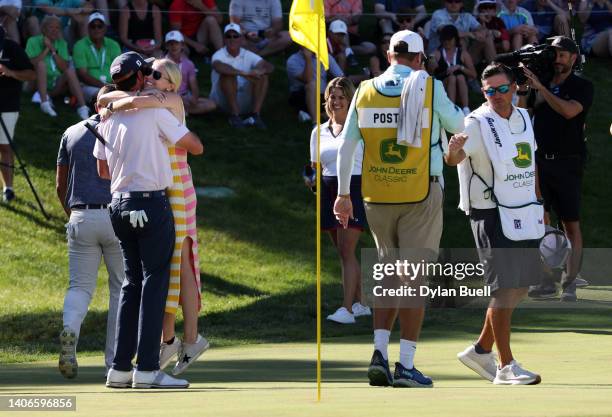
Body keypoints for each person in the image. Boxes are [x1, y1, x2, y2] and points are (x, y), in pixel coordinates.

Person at [334, 30, 464, 388]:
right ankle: (405, 364)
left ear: (388, 54)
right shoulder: (431, 87)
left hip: (376, 196)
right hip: (420, 192)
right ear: (421, 58)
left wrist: (344, 194)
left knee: (389, 274)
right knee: (413, 280)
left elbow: (346, 147)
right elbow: (459, 127)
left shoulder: (364, 90)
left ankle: (379, 353)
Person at [97, 51, 202, 389]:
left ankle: (119, 369)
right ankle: (146, 369)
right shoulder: (155, 110)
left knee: (131, 283)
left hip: (117, 204)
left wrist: (115, 104)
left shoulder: (109, 117)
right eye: (149, 75)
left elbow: (102, 169)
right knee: (155, 282)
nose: (153, 80)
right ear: (141, 78)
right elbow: (196, 146)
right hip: (151, 202)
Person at [446, 63, 544, 385]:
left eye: (502, 89)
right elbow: (456, 159)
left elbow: (531, 165)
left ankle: (480, 349)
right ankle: (505, 365)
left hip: (525, 210)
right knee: (504, 289)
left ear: (514, 87)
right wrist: (452, 153)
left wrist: (539, 204)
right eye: (490, 91)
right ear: (483, 92)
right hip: (489, 213)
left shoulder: (525, 118)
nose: (497, 96)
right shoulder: (475, 123)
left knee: (521, 287)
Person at [55, 84, 124, 380]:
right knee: (121, 289)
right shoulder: (123, 132)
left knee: (79, 287)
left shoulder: (71, 132)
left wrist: (74, 215)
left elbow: (60, 185)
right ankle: (115, 363)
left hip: (81, 214)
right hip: (116, 215)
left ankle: (70, 331)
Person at [519, 36, 594, 301]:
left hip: (568, 161)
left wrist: (541, 88)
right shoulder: (542, 83)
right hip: (539, 161)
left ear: (573, 58)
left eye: (562, 54)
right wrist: (524, 88)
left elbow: (568, 111)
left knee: (570, 224)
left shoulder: (582, 85)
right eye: (554, 54)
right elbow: (522, 113)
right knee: (539, 221)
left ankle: (570, 282)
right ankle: (547, 281)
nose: (557, 59)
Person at [308, 77, 370, 324]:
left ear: (350, 100)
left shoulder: (360, 129)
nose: (336, 101)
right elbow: (315, 166)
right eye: (332, 97)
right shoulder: (318, 131)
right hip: (327, 187)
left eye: (342, 97)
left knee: (346, 250)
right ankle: (361, 303)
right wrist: (310, 179)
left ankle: (347, 310)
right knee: (342, 251)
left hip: (352, 187)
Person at [25, 15, 90, 119]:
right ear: (44, 28)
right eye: (51, 27)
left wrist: (53, 50)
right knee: (41, 64)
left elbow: (64, 67)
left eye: (57, 28)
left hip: (55, 86)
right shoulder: (33, 41)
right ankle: (44, 103)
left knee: (70, 70)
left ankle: (83, 107)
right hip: (35, 83)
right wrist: (46, 49)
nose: (54, 30)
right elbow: (32, 63)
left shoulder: (62, 43)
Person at [210, 23, 274, 129]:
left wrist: (259, 70)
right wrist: (246, 74)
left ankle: (255, 114)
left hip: (245, 100)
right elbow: (218, 66)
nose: (232, 39)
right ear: (224, 39)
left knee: (263, 76)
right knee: (228, 76)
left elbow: (269, 66)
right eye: (228, 36)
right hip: (223, 103)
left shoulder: (247, 54)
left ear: (241, 39)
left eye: (235, 36)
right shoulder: (219, 54)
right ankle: (234, 115)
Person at [0, 25, 35, 203]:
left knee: (4, 146)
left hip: (7, 105)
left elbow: (31, 74)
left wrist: (10, 72)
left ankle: (8, 188)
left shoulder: (12, 48)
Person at [73, 12, 121, 103]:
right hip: (88, 86)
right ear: (88, 28)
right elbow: (82, 74)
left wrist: (111, 86)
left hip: (112, 85)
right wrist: (106, 87)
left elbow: (118, 70)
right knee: (104, 97)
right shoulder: (80, 45)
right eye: (93, 26)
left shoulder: (113, 45)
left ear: (105, 28)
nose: (96, 29)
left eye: (100, 26)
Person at [287, 47, 343, 125]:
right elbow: (308, 79)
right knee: (312, 85)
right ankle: (316, 122)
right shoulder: (293, 60)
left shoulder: (325, 56)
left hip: (322, 95)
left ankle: (312, 114)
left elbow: (340, 77)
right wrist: (308, 59)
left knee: (340, 88)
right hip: (302, 95)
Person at [165, 30, 216, 116]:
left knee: (212, 104)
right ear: (167, 46)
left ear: (182, 45)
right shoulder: (161, 64)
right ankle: (182, 110)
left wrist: (194, 98)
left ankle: (182, 111)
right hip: (169, 96)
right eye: (171, 44)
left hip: (185, 95)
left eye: (176, 43)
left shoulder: (188, 64)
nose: (174, 46)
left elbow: (194, 85)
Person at [429, 24, 477, 115]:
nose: (447, 42)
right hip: (443, 88)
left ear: (455, 39)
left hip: (461, 89)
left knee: (460, 77)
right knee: (452, 78)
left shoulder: (463, 53)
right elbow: (431, 74)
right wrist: (432, 63)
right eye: (445, 40)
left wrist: (460, 67)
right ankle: (451, 108)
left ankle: (466, 109)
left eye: (449, 39)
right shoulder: (437, 53)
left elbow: (474, 74)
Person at [324, 0, 376, 65]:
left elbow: (356, 17)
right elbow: (325, 19)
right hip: (334, 33)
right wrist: (338, 19)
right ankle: (349, 55)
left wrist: (346, 20)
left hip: (352, 33)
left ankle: (346, 51)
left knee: (370, 47)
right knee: (341, 23)